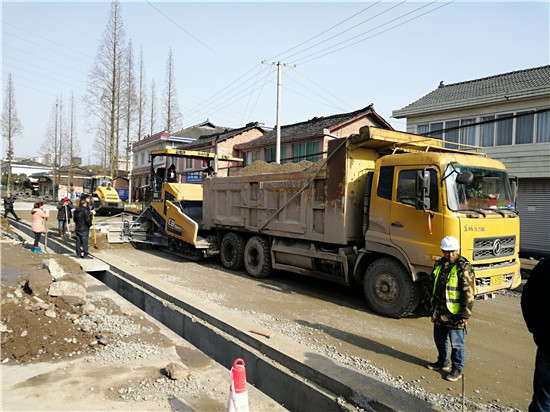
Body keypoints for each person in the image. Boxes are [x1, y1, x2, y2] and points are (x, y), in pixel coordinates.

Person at [426, 235, 475, 382]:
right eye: (447, 252)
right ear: (442, 251)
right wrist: (428, 303)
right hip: (440, 311)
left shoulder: (463, 266)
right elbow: (431, 284)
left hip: (455, 314)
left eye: (453, 251)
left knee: (457, 344)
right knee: (439, 339)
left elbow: (469, 293)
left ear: (457, 250)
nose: (450, 254)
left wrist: (465, 314)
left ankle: (457, 368)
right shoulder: (439, 264)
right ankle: (442, 361)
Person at [521, 259, 550, 412]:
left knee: (543, 402)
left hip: (547, 346)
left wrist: (535, 330)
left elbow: (528, 299)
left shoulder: (546, 266)